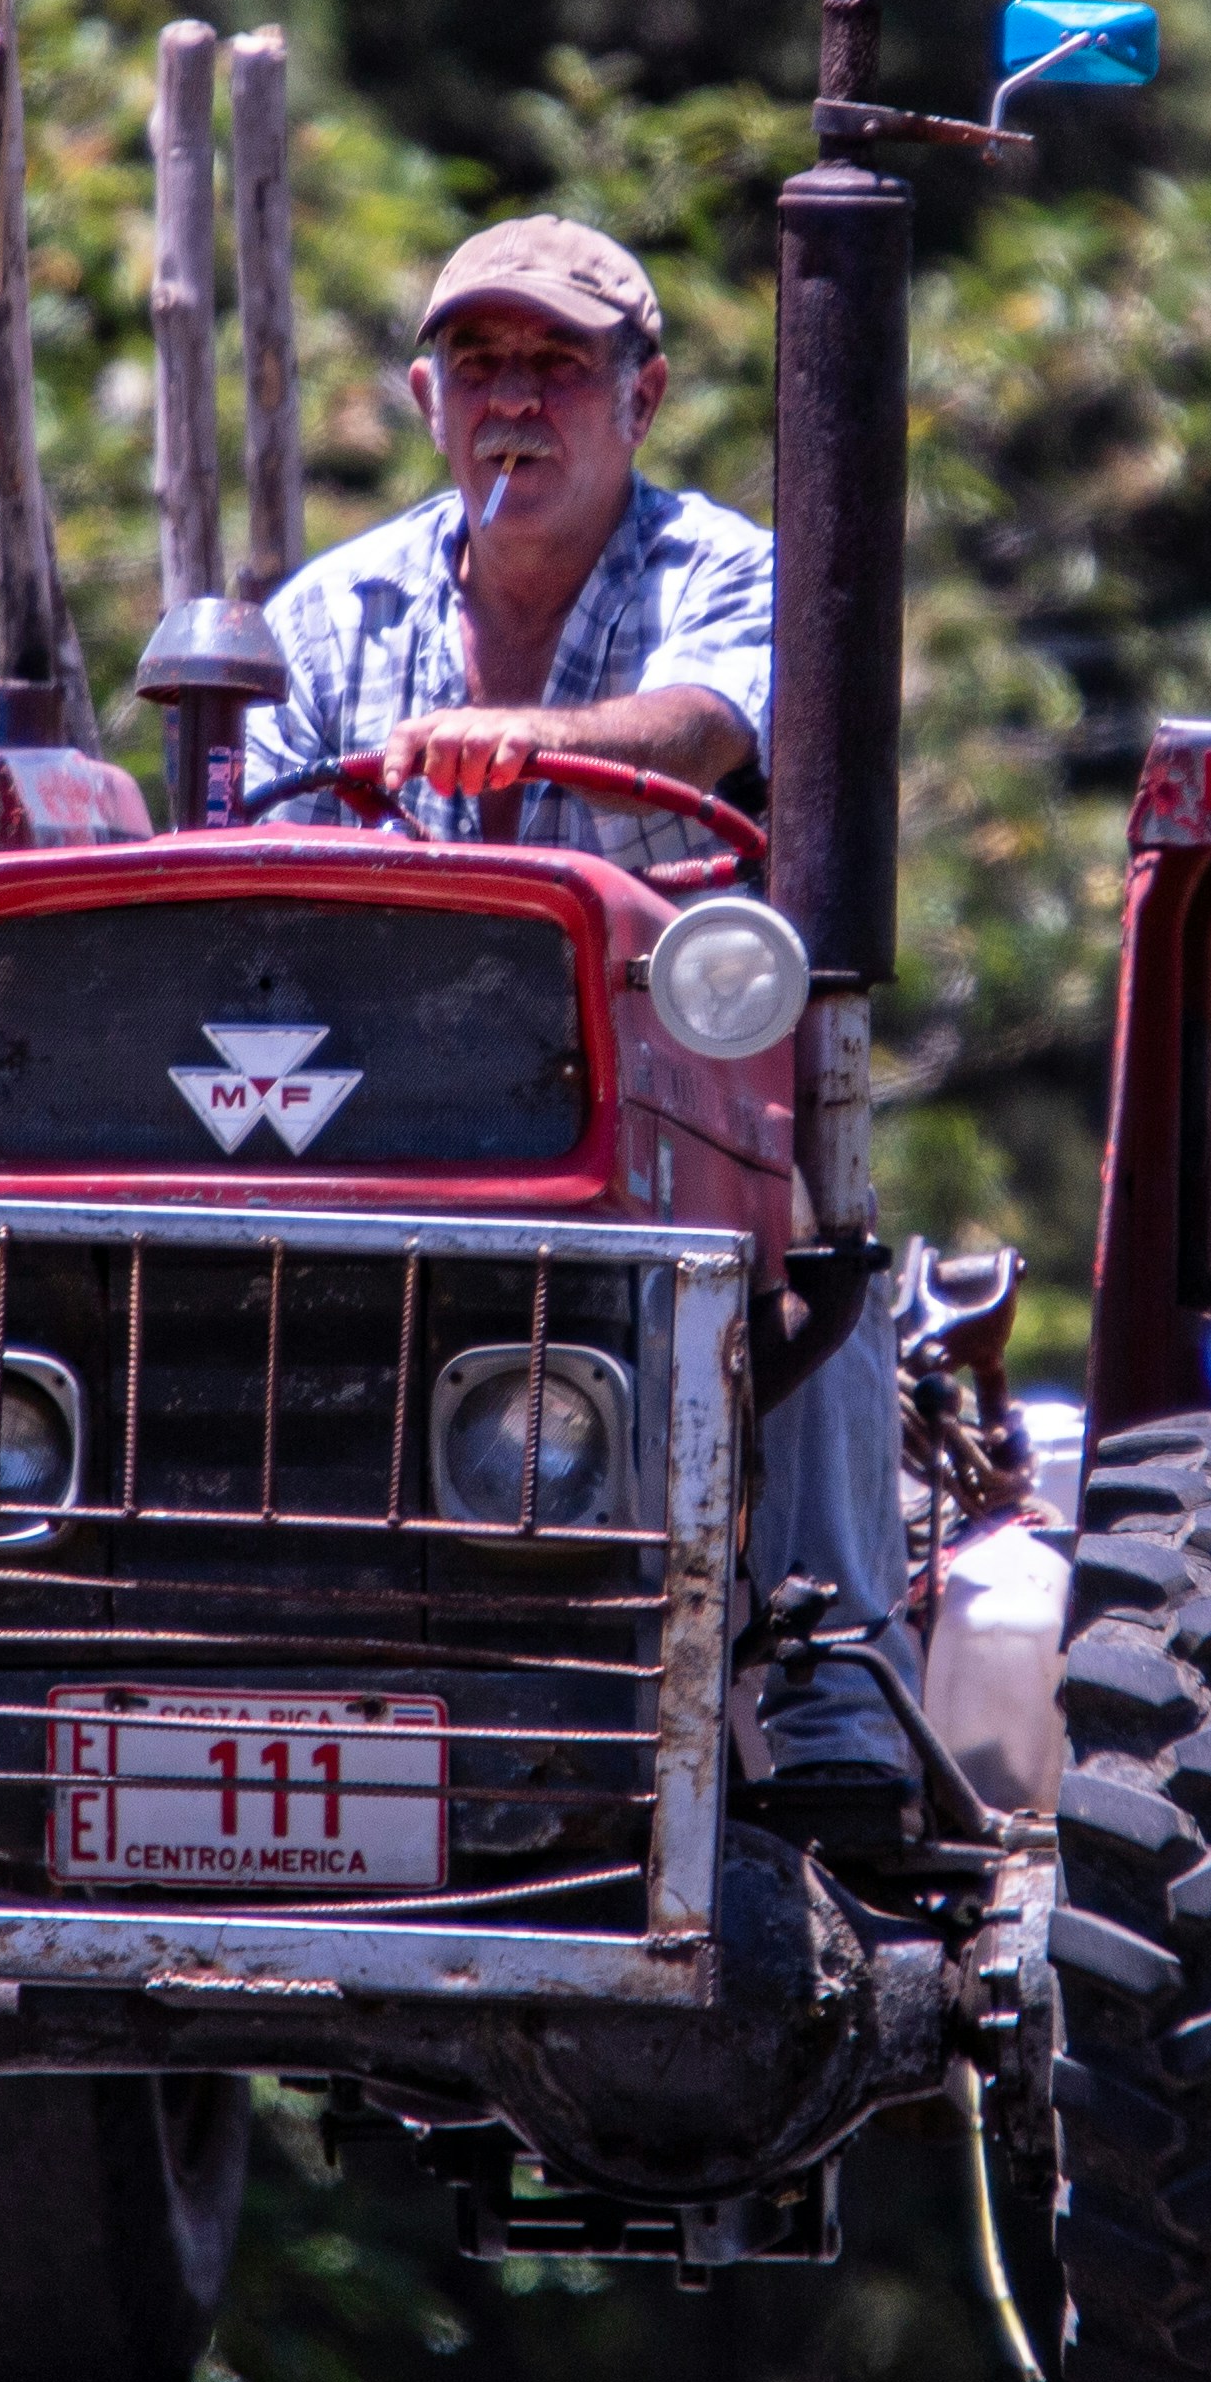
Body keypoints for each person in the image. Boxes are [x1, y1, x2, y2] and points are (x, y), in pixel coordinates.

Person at [236, 213, 926, 1846]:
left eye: (558, 367)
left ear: (644, 396)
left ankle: (831, 1654)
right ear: (425, 400)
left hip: (641, 1112)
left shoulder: (732, 573)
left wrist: (522, 738)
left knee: (809, 1218)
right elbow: (250, 840)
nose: (516, 405)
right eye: (480, 367)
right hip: (374, 1117)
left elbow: (699, 726)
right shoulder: (326, 614)